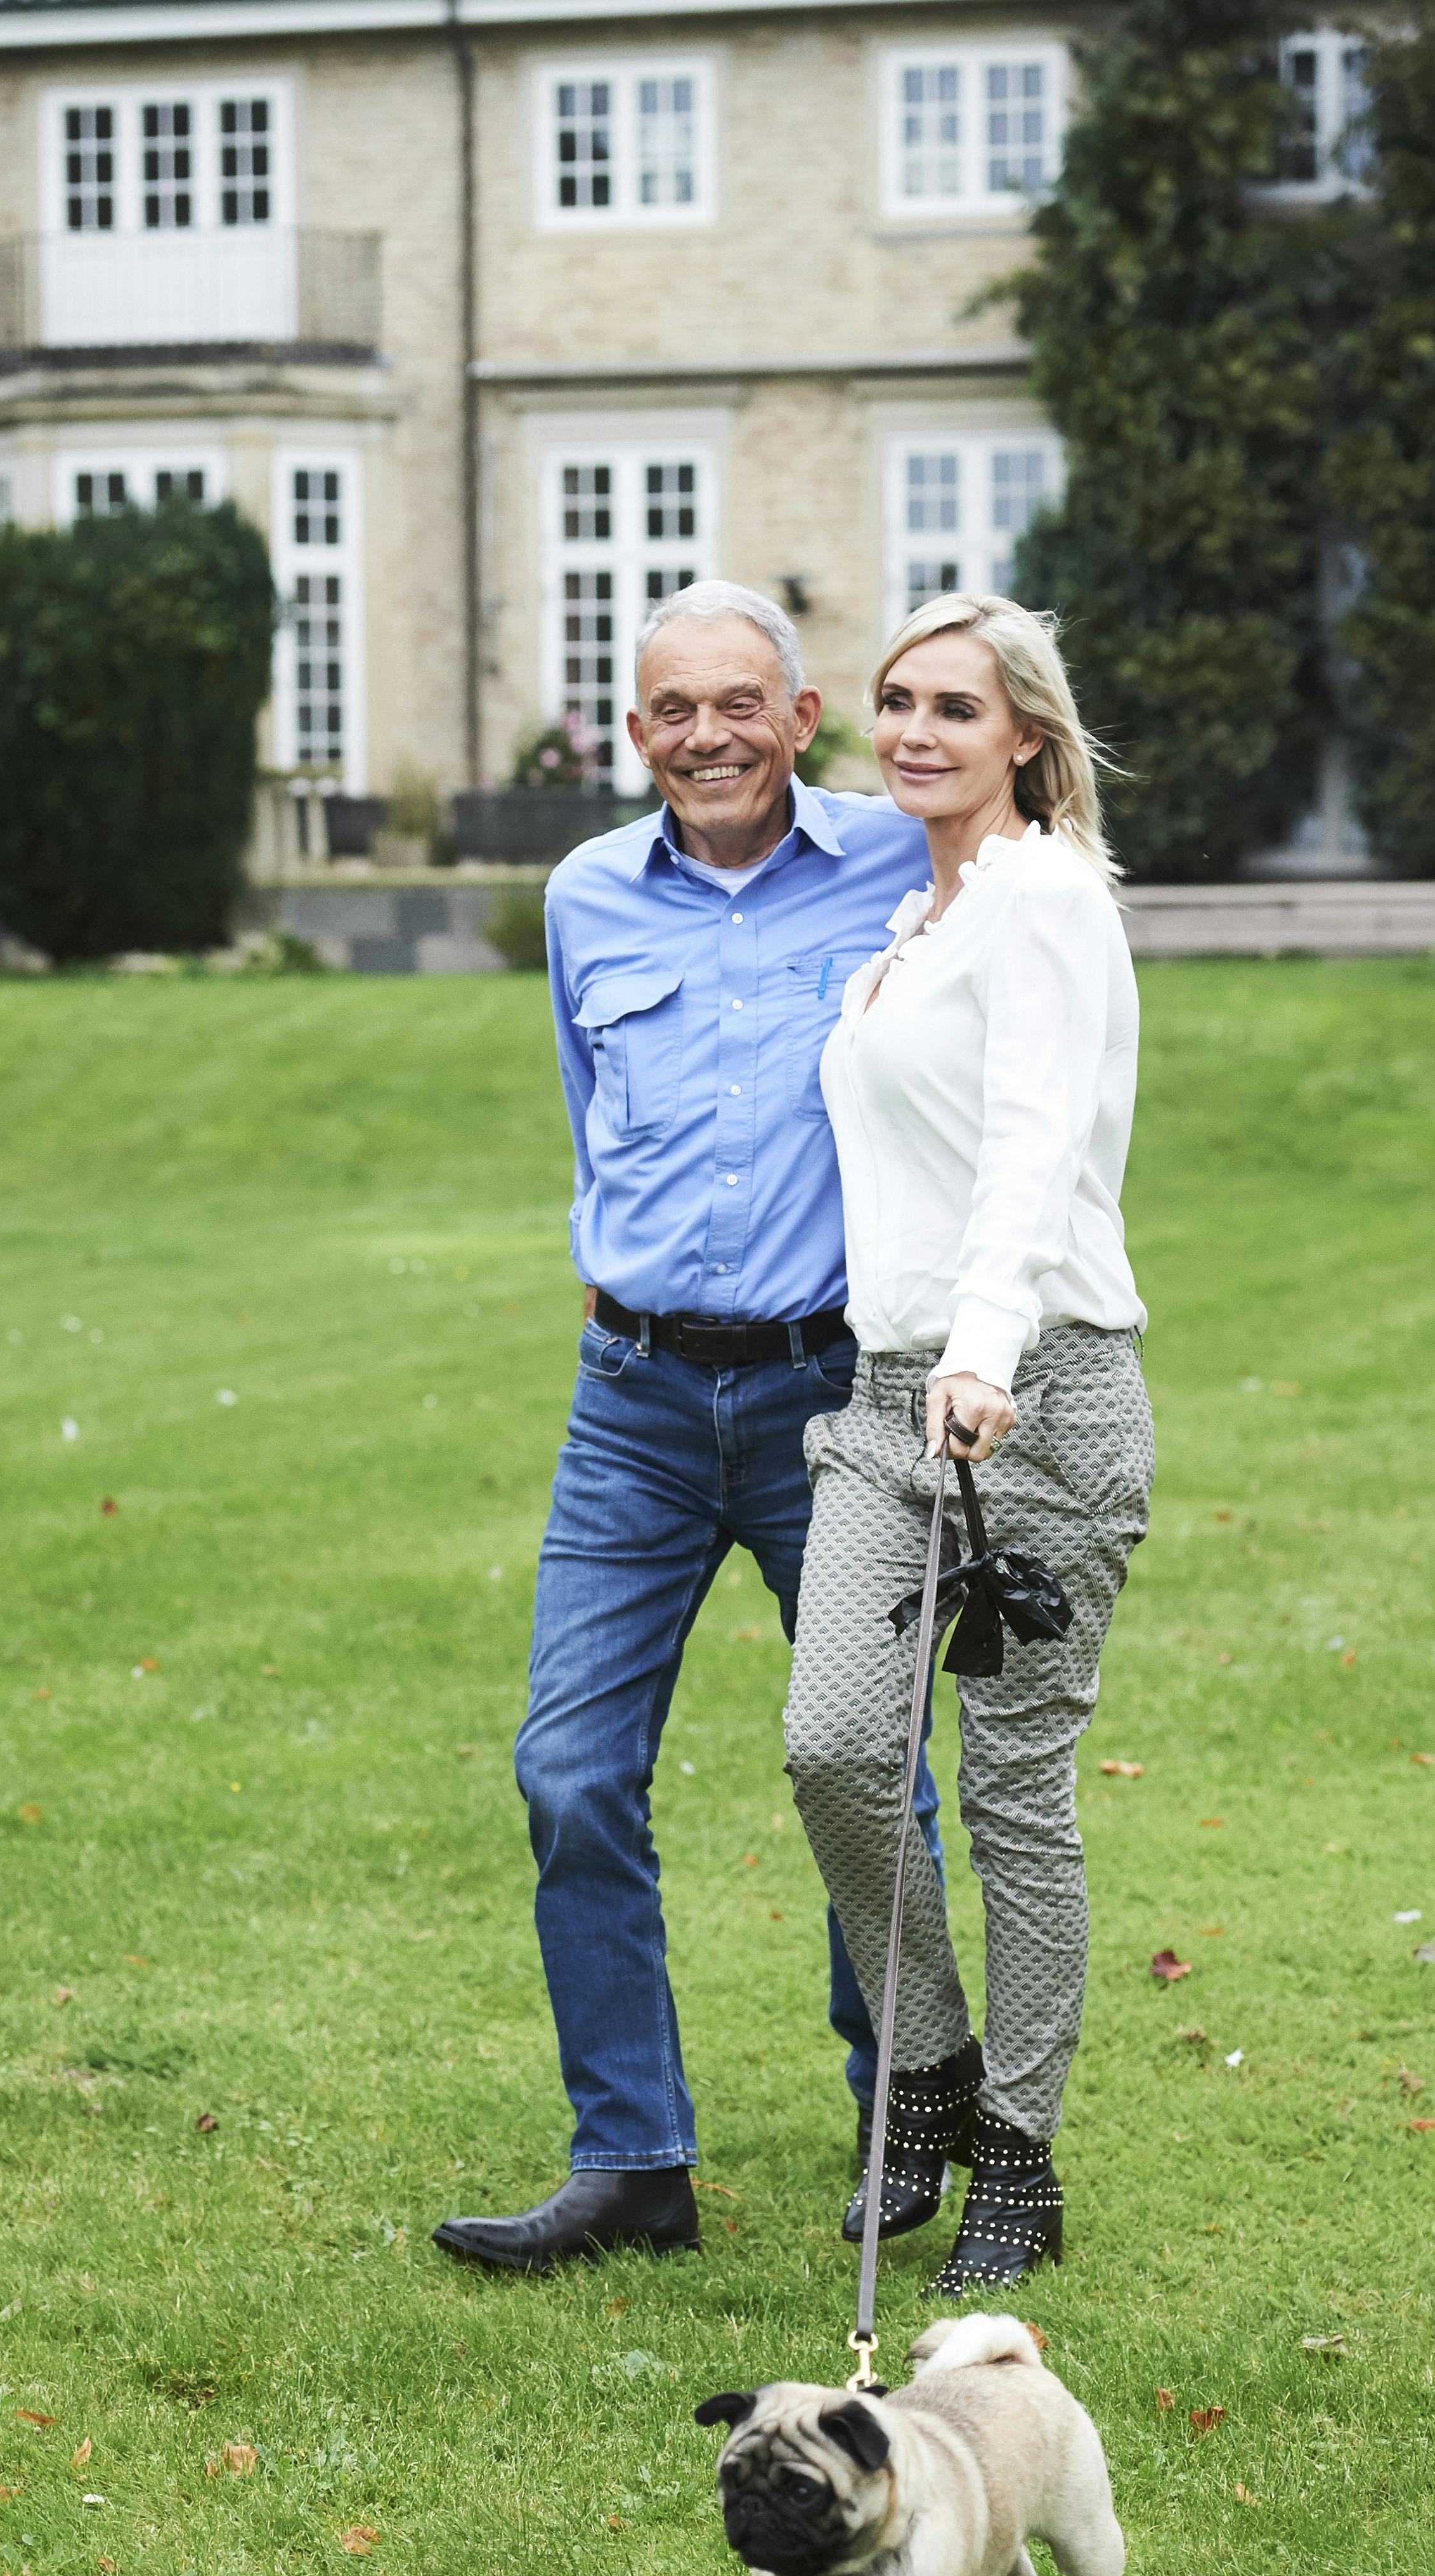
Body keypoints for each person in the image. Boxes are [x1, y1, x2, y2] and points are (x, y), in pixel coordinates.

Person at [432, 580, 938, 2275]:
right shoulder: (586, 896)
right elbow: (596, 1129)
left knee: (869, 1774)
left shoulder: (899, 868)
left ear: (803, 720)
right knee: (566, 1769)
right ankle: (630, 2158)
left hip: (833, 1400)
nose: (705, 734)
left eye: (739, 702)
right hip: (634, 1407)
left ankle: (907, 2115)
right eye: (670, 709)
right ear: (632, 730)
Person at [783, 589, 1152, 2297]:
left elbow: (1030, 1140)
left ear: (1025, 736)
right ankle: (920, 2059)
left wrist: (988, 1348)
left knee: (1010, 1792)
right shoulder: (906, 932)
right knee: (835, 1748)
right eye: (892, 703)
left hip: (1038, 1390)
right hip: (881, 1403)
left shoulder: (1045, 901)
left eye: (953, 706)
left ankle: (1015, 2150)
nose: (914, 730)